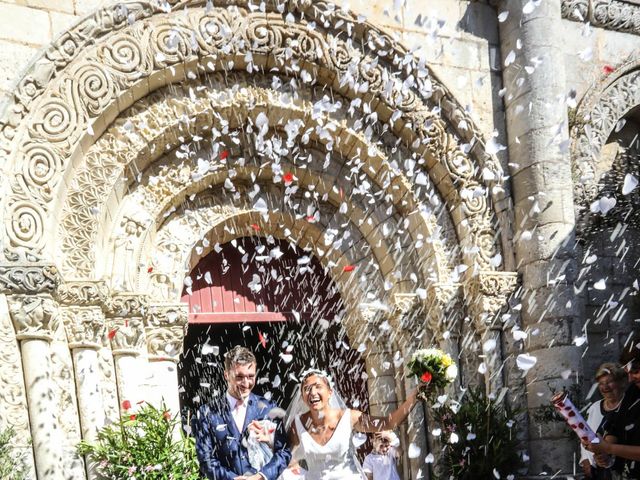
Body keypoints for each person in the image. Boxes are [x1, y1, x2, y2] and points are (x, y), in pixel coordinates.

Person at [286, 368, 419, 480]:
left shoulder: (349, 417)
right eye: (307, 389)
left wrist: (415, 395)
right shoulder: (297, 425)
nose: (313, 393)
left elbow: (388, 423)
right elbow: (286, 459)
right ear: (302, 396)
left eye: (318, 387)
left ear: (330, 392)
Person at [191, 346, 291, 480]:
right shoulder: (207, 413)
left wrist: (262, 476)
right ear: (226, 375)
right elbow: (205, 459)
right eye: (239, 377)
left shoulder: (268, 408)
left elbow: (284, 451)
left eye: (251, 376)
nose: (246, 383)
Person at [584, 342, 640, 479]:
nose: (631, 378)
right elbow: (616, 425)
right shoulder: (633, 391)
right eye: (628, 373)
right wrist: (603, 451)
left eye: (636, 372)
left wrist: (608, 448)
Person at [579, 363, 626, 479]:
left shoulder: (630, 406)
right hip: (596, 472)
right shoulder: (594, 407)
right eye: (601, 383)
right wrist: (585, 460)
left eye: (609, 382)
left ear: (620, 382)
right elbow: (585, 435)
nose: (605, 387)